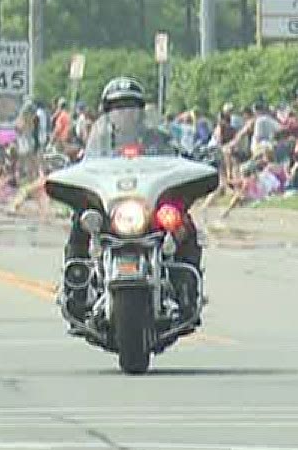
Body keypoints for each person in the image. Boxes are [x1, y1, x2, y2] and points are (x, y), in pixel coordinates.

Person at [60, 77, 202, 325]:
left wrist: (195, 163)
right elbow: (84, 167)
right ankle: (77, 287)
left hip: (148, 207)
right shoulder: (99, 146)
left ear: (141, 111)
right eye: (117, 108)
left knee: (182, 222)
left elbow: (177, 161)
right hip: (112, 209)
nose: (124, 113)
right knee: (83, 219)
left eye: (130, 107)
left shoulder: (159, 139)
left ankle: (186, 288)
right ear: (107, 113)